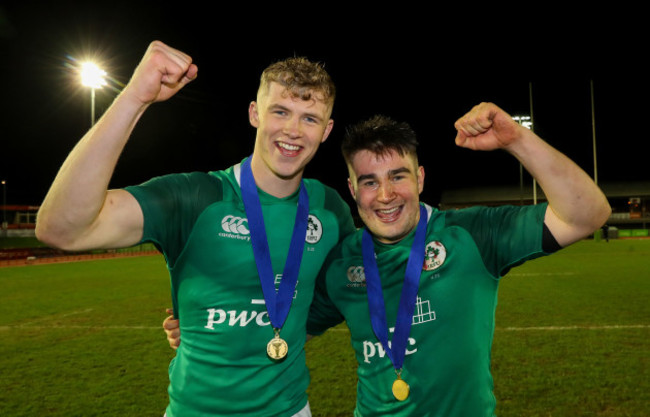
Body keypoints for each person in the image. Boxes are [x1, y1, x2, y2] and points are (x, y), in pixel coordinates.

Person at [165, 104, 611, 416]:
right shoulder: (342, 261)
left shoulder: (472, 234)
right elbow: (285, 318)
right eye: (369, 181)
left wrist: (516, 138)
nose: (385, 195)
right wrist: (199, 322)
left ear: (419, 178)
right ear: (351, 188)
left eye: (397, 176)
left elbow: (588, 214)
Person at [36, 40, 355, 417]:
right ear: (255, 113)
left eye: (310, 118)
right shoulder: (195, 197)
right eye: (280, 111)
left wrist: (294, 329)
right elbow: (62, 229)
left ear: (327, 129)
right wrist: (135, 97)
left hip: (290, 410)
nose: (293, 130)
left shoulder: (330, 209)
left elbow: (347, 285)